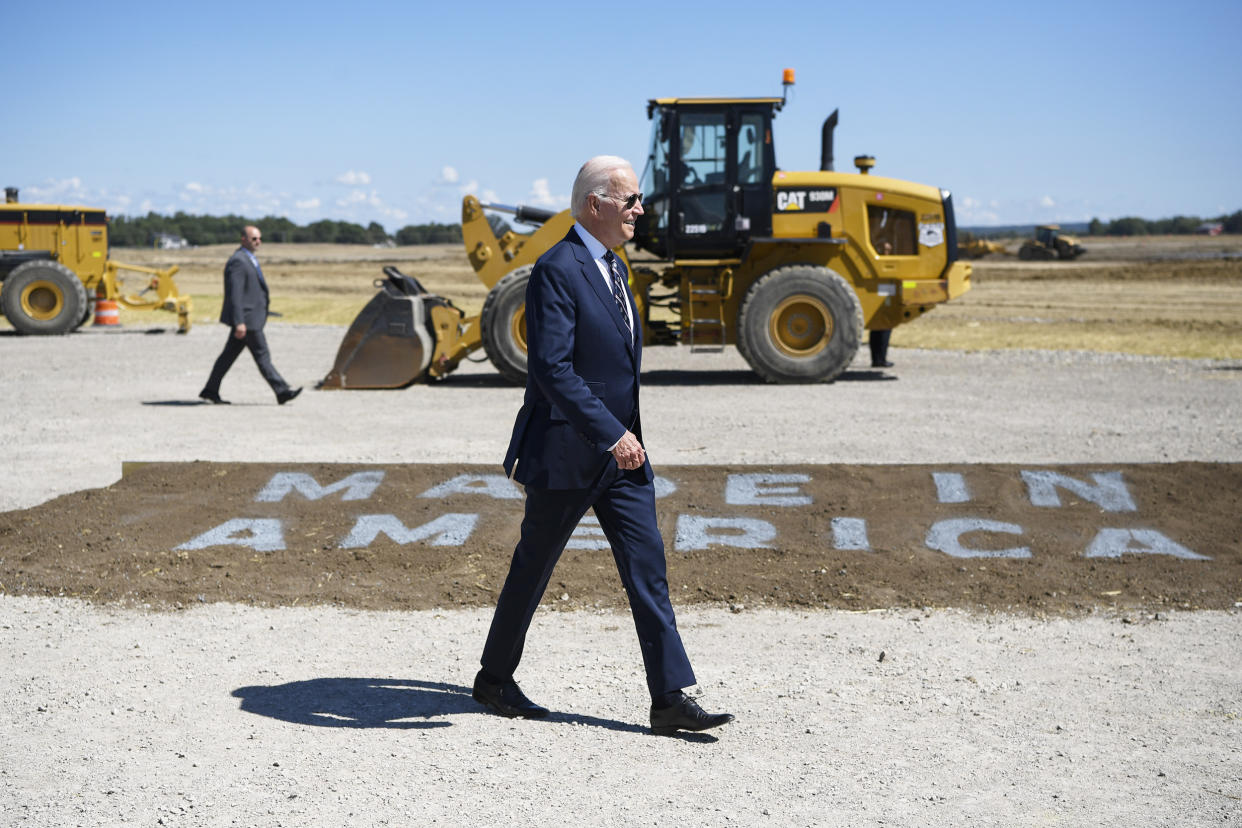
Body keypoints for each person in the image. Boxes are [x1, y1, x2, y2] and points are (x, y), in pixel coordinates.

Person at [473, 156, 733, 737]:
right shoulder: (556, 269)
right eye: (632, 200)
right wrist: (612, 434)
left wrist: (625, 436)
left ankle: (668, 699)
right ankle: (493, 680)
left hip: (624, 456)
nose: (641, 210)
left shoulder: (615, 267)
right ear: (597, 205)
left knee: (648, 571)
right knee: (532, 570)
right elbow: (552, 369)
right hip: (570, 450)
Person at [198, 226, 302, 405]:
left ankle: (210, 390)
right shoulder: (238, 261)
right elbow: (235, 295)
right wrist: (239, 321)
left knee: (227, 357)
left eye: (260, 239)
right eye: (254, 239)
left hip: (249, 320)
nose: (258, 242)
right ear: (243, 239)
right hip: (247, 320)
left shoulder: (248, 259)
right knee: (263, 357)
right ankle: (282, 391)